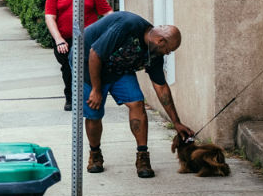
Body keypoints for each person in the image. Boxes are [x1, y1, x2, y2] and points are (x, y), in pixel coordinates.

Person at [82, 11, 193, 178]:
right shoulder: (127, 26)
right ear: (160, 40)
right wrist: (96, 90)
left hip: (119, 69)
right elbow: (94, 54)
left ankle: (142, 157)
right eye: (168, 50)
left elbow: (161, 87)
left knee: (137, 103)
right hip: (88, 63)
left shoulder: (154, 53)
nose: (167, 53)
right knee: (94, 112)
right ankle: (95, 154)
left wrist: (176, 122)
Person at [45, 0, 113, 111]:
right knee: (68, 69)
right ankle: (70, 98)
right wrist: (59, 40)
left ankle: (90, 97)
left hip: (89, 39)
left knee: (90, 68)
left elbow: (108, 12)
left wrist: (106, 34)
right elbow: (49, 17)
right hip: (65, 40)